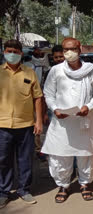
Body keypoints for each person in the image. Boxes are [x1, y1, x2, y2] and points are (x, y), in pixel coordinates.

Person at [42, 37, 93, 203]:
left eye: (72, 49)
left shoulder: (92, 71)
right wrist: (55, 109)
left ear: (80, 49)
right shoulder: (56, 70)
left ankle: (84, 184)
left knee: (86, 155)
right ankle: (63, 185)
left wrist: (88, 107)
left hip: (84, 120)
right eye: (65, 50)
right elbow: (48, 93)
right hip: (62, 122)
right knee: (60, 155)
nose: (69, 53)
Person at [0, 40, 43, 208]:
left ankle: (24, 190)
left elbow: (37, 97)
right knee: (3, 160)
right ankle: (3, 192)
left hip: (26, 125)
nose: (12, 54)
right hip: (2, 125)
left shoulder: (29, 72)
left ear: (21, 54)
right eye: (9, 51)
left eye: (16, 51)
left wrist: (38, 120)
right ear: (4, 52)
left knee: (25, 160)